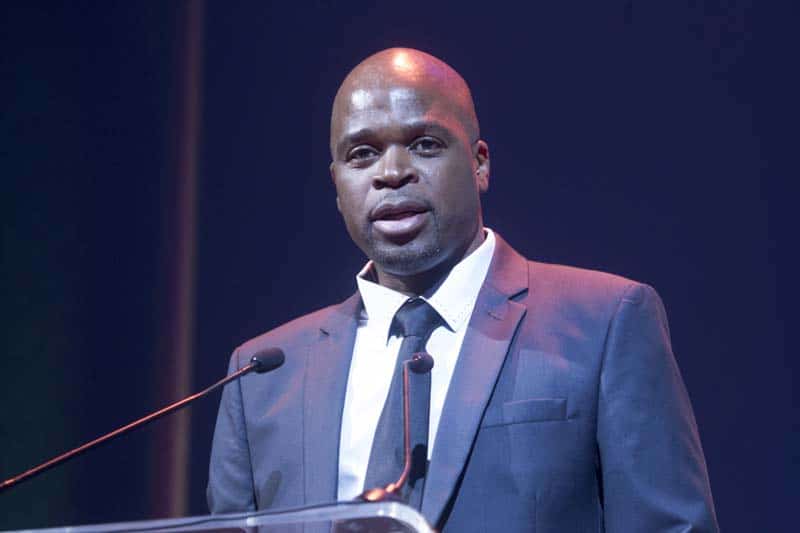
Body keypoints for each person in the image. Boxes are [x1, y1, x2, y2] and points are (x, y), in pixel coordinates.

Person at [207, 48, 719, 532]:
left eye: (424, 144)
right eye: (362, 154)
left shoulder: (604, 322)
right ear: (337, 184)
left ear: (480, 164)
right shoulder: (261, 377)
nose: (392, 172)